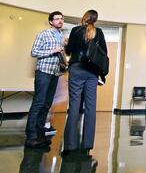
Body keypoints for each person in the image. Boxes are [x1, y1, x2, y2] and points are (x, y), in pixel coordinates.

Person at [62, 10, 108, 158]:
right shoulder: (99, 32)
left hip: (76, 70)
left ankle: (70, 146)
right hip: (92, 73)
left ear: (84, 18)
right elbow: (103, 54)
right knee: (90, 107)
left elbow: (69, 52)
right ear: (95, 20)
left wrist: (68, 44)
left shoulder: (76, 30)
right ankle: (88, 145)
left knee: (74, 106)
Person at [25, 11, 67, 149]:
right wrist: (52, 51)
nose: (60, 21)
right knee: (39, 102)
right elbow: (34, 52)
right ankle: (31, 136)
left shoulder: (61, 36)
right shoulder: (43, 34)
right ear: (51, 22)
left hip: (55, 73)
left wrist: (62, 62)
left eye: (61, 19)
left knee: (47, 103)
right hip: (43, 72)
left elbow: (59, 53)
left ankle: (39, 133)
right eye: (57, 19)